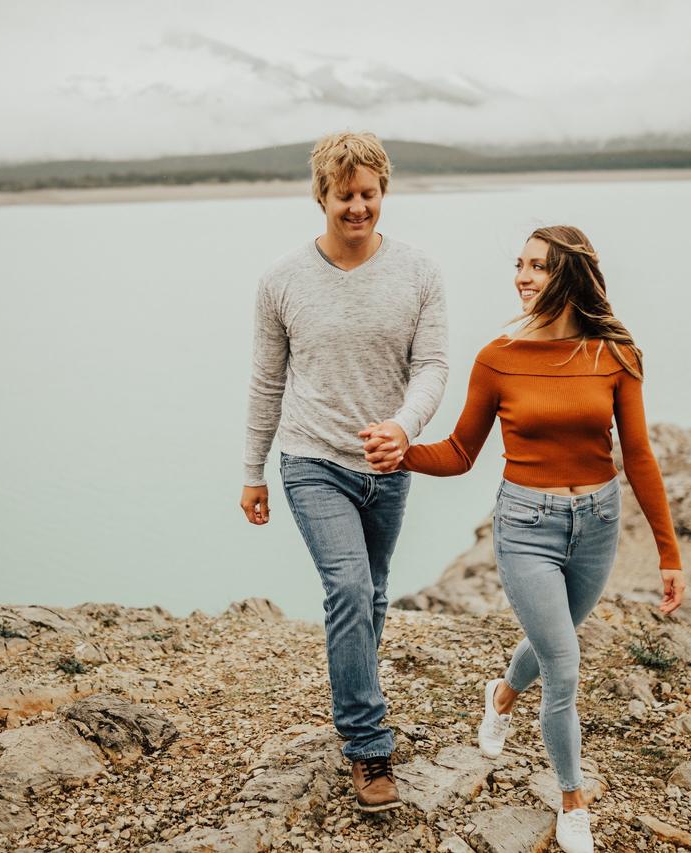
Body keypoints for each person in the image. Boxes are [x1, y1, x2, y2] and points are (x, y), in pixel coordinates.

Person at [361, 225, 685, 852]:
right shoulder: (498, 357)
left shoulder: (614, 354)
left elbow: (638, 455)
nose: (522, 276)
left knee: (550, 643)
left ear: (569, 275)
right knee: (564, 663)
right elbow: (459, 452)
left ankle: (503, 693)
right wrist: (401, 453)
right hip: (525, 528)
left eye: (537, 266)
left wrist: (670, 554)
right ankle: (572, 800)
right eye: (519, 265)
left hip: (596, 525)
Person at [239, 131, 448, 813]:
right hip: (311, 460)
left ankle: (357, 696)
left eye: (369, 193)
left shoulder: (419, 272)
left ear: (383, 191)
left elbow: (433, 366)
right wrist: (253, 471)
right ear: (321, 195)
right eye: (344, 195)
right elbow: (267, 382)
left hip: (388, 464)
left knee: (375, 594)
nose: (357, 207)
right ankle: (367, 745)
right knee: (351, 589)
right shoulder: (282, 280)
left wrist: (404, 428)